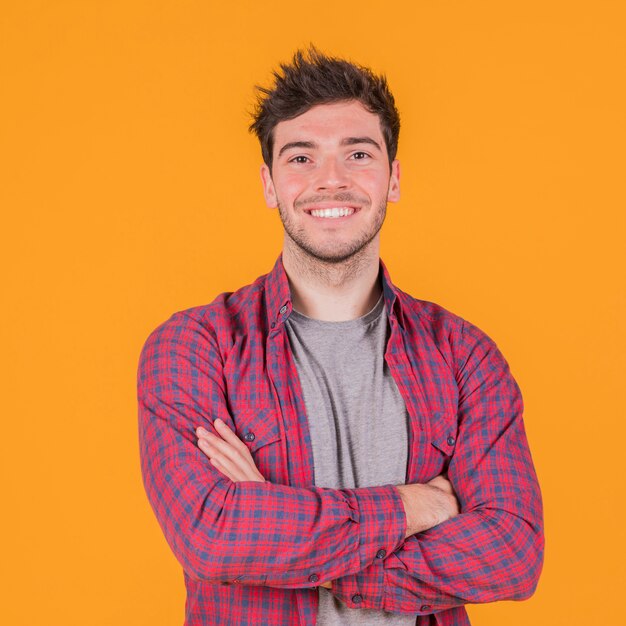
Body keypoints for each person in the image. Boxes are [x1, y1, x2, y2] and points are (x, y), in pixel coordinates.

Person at [137, 47, 544, 626]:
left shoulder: (463, 355)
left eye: (358, 153)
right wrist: (414, 506)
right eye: (301, 157)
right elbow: (213, 533)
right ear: (270, 184)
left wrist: (285, 532)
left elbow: (511, 554)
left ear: (393, 178)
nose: (331, 180)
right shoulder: (195, 347)